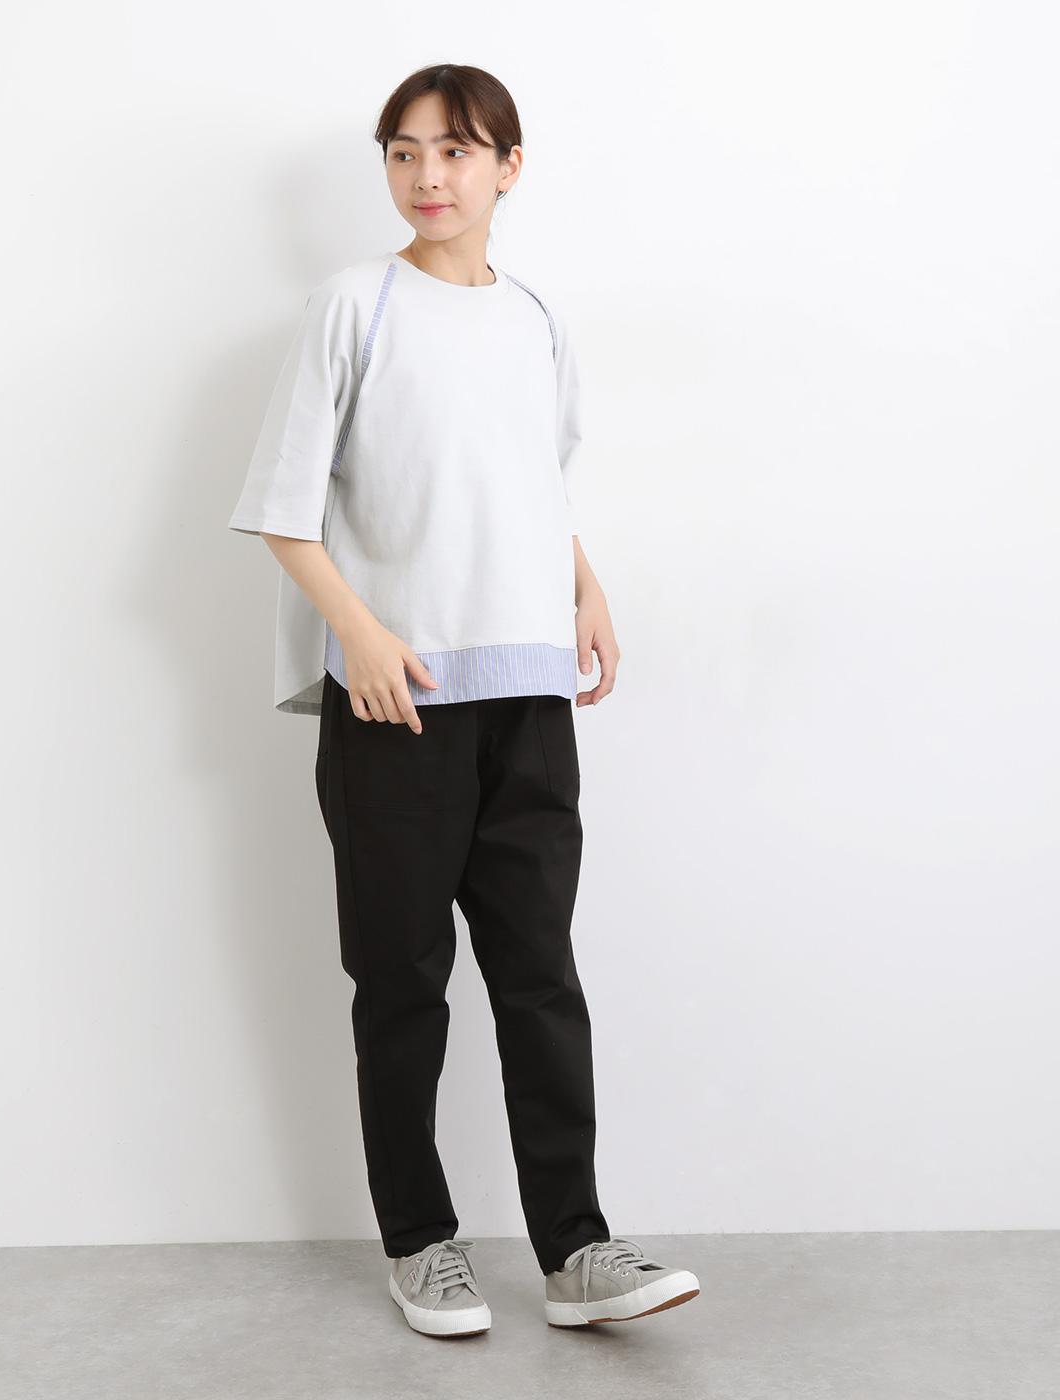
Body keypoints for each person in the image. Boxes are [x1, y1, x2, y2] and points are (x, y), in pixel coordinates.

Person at [228, 63, 700, 1336]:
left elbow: (537, 484)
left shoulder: (536, 318)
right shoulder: (354, 305)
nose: (427, 176)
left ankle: (576, 1248)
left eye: (454, 151)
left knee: (541, 974)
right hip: (396, 703)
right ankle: (421, 1241)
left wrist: (585, 587)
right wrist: (362, 637)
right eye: (404, 152)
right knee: (402, 982)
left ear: (508, 166)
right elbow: (283, 505)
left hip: (528, 693)